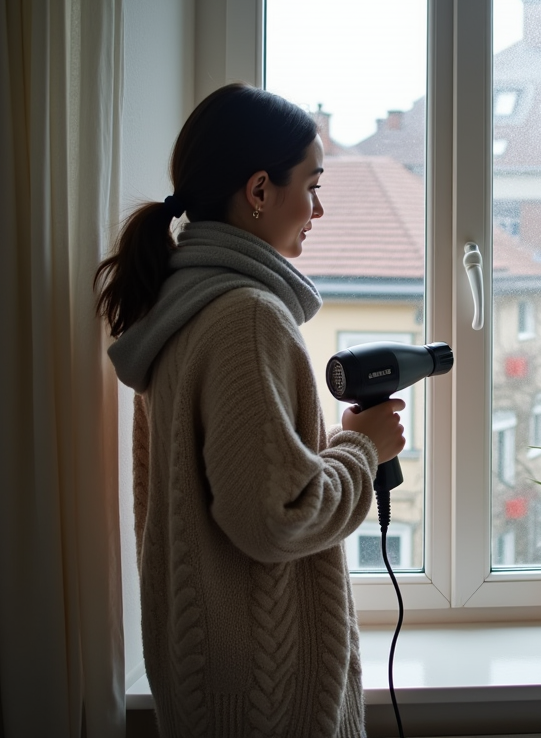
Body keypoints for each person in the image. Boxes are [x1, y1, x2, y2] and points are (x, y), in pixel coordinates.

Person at [96, 83, 404, 737]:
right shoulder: (247, 318)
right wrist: (363, 448)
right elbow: (274, 520)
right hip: (272, 704)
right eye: (312, 185)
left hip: (208, 680)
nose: (317, 209)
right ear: (260, 192)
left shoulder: (179, 306)